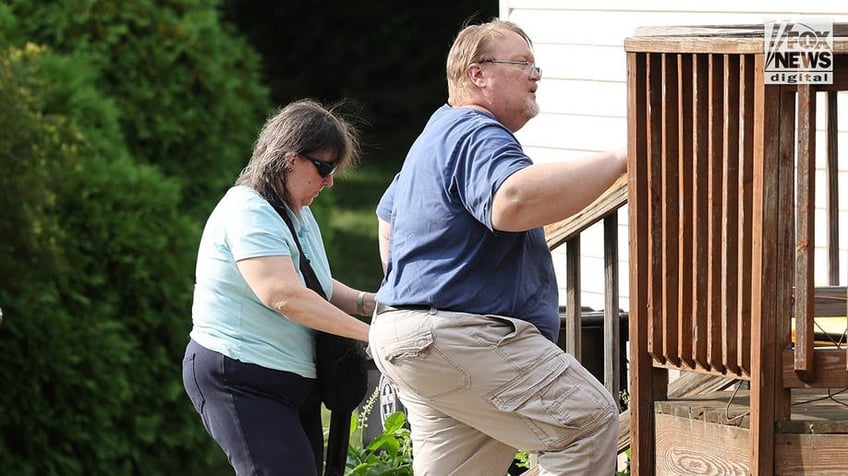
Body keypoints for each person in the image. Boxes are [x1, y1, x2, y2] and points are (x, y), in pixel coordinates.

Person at [369, 19, 626, 476]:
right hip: (458, 335)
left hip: (412, 336)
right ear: (477, 74)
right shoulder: (475, 131)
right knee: (587, 423)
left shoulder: (434, 136)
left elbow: (387, 222)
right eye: (522, 63)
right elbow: (512, 199)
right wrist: (625, 160)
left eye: (535, 64)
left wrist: (416, 307)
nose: (536, 75)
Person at [182, 99, 375, 476]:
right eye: (324, 168)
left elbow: (313, 286)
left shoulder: (294, 212)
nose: (330, 181)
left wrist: (372, 304)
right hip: (240, 378)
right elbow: (283, 295)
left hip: (286, 383)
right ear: (289, 159)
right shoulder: (248, 210)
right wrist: (373, 336)